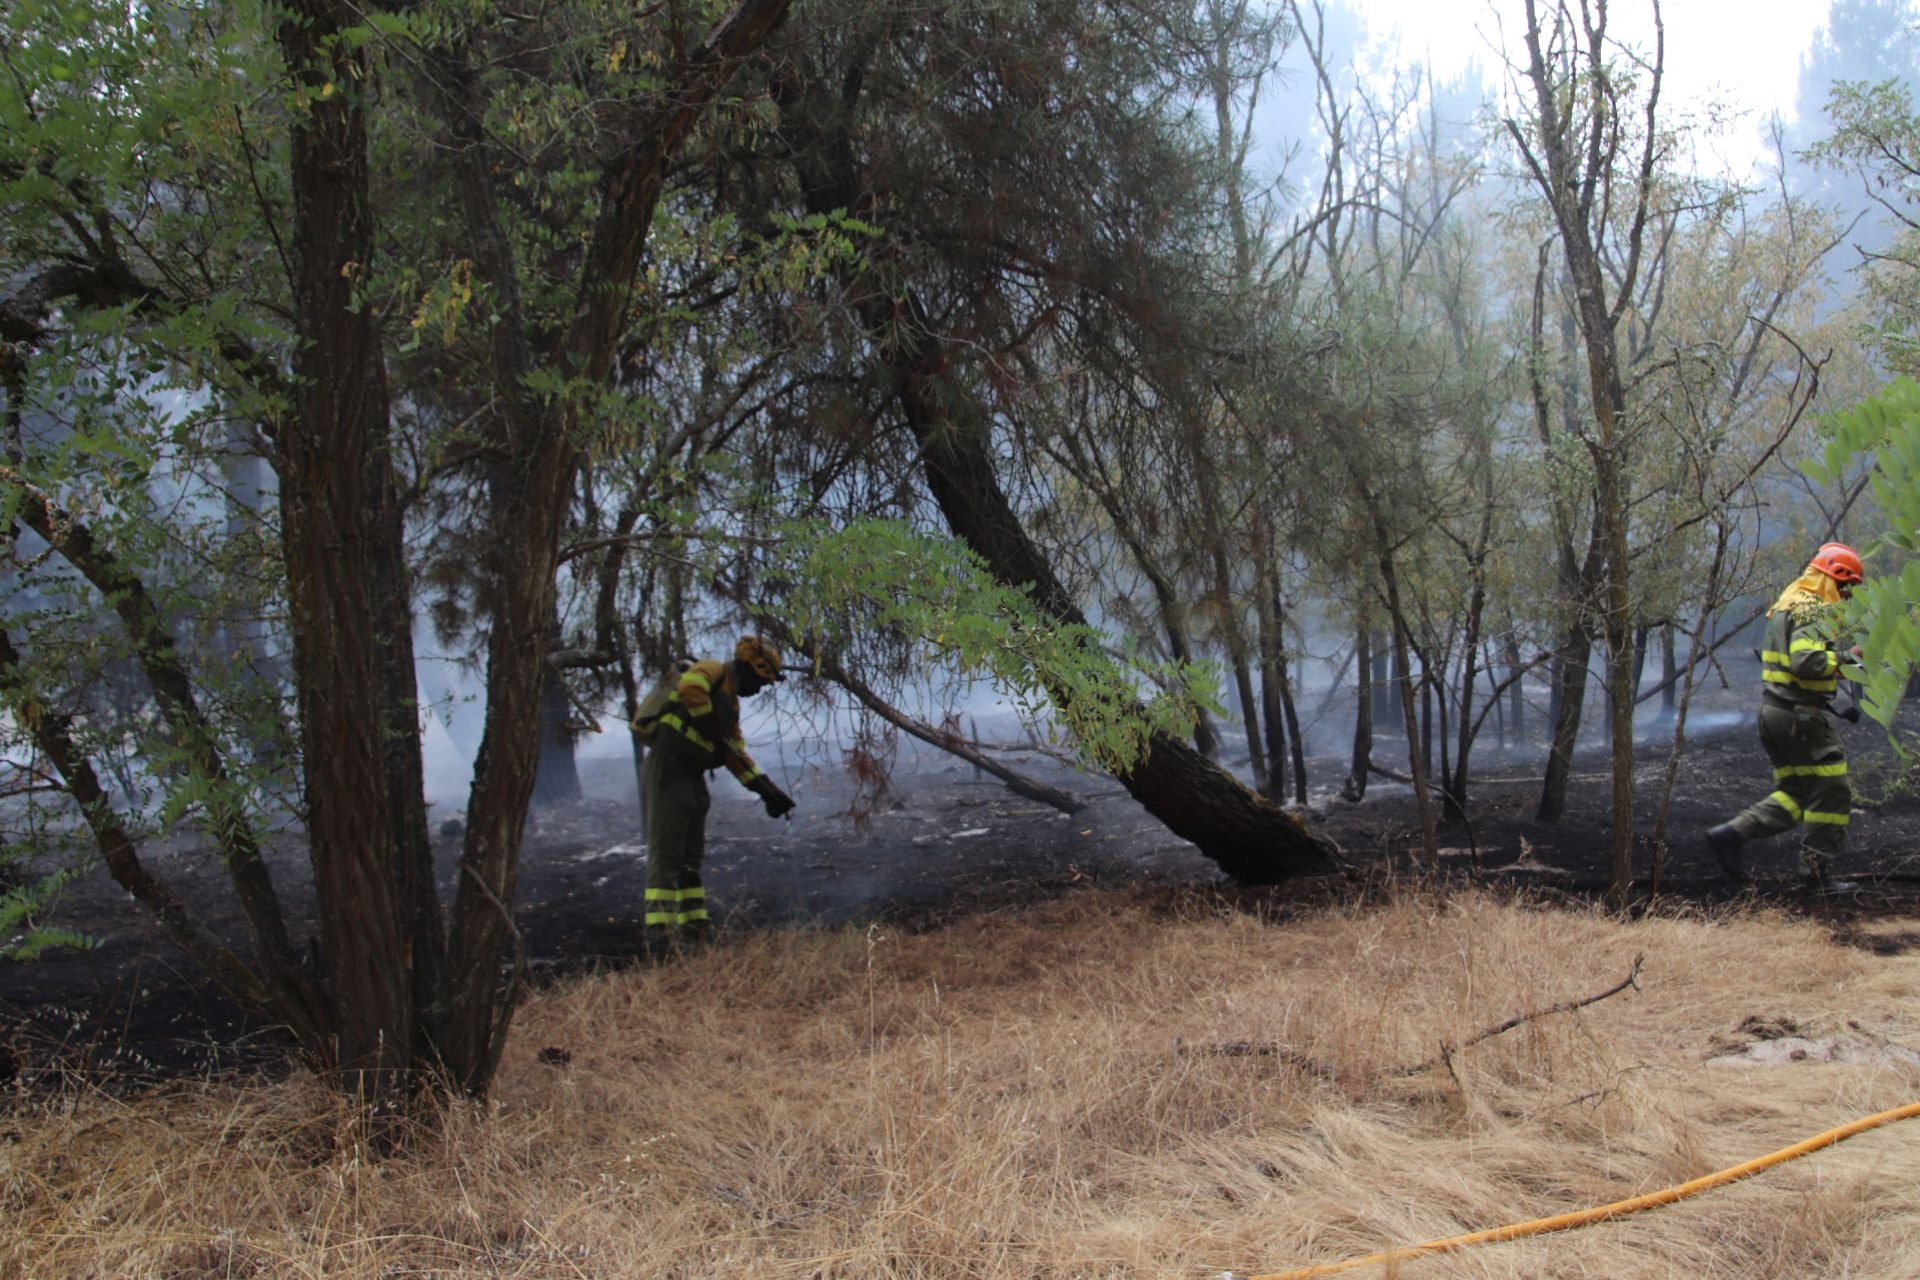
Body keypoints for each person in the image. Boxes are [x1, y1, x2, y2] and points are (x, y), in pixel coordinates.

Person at [1706, 543, 1864, 895]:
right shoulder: (1815, 609)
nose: (1848, 596)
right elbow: (1805, 661)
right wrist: (1846, 659)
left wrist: (1835, 663)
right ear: (1834, 579)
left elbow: (1799, 662)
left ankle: (1732, 834)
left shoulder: (1790, 602)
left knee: (1796, 792)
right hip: (1802, 718)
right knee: (1833, 791)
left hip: (1776, 713)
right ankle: (1816, 875)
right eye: (1847, 586)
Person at [638, 634, 796, 953]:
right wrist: (707, 721)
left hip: (693, 777)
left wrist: (767, 791)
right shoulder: (712, 670)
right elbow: (690, 688)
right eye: (763, 680)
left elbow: (735, 754)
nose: (761, 688)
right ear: (753, 666)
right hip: (669, 771)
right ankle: (660, 938)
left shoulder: (731, 706)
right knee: (667, 855)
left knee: (689, 859)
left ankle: (695, 929)